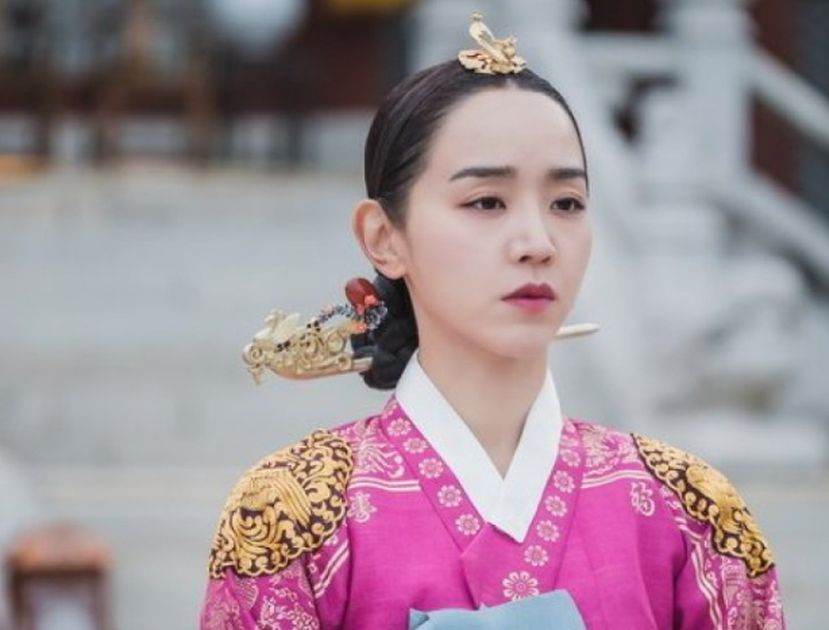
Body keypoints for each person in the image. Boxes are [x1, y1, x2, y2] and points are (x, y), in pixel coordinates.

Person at [199, 13, 785, 630]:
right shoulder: (291, 515)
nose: (537, 242)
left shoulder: (689, 510)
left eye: (566, 203)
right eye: (486, 202)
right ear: (383, 238)